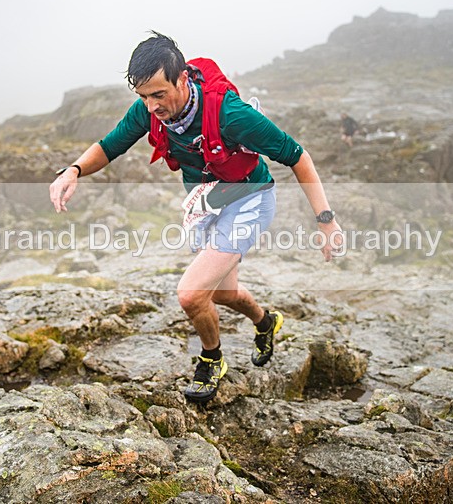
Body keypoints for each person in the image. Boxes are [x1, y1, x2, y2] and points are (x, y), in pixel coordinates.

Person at [49, 32, 342, 403]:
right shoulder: (148, 110)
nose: (151, 106)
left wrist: (326, 220)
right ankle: (266, 322)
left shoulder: (230, 114)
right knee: (222, 292)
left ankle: (211, 359)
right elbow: (110, 146)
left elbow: (298, 156)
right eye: (143, 96)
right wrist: (73, 170)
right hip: (209, 204)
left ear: (183, 79)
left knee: (191, 295)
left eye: (159, 94)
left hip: (249, 200)